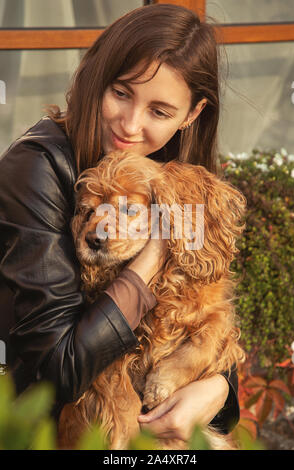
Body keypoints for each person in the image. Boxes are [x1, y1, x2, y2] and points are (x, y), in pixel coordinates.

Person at [0, 3, 240, 444]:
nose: (130, 126)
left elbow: (203, 307)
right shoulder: (37, 167)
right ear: (97, 75)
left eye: (160, 112)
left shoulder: (172, 171)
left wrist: (220, 388)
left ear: (191, 115)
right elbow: (58, 369)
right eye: (122, 92)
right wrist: (152, 256)